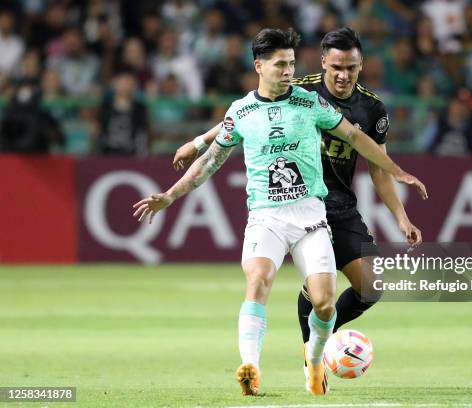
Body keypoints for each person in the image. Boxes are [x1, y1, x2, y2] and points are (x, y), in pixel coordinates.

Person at [133, 28, 427, 397]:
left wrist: (397, 175)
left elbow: (357, 141)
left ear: (361, 65)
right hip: (267, 215)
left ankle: (315, 356)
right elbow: (224, 140)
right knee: (258, 282)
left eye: (351, 67)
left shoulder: (323, 104)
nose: (289, 70)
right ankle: (251, 367)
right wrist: (188, 160)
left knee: (337, 297)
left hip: (319, 211)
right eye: (282, 64)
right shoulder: (267, 100)